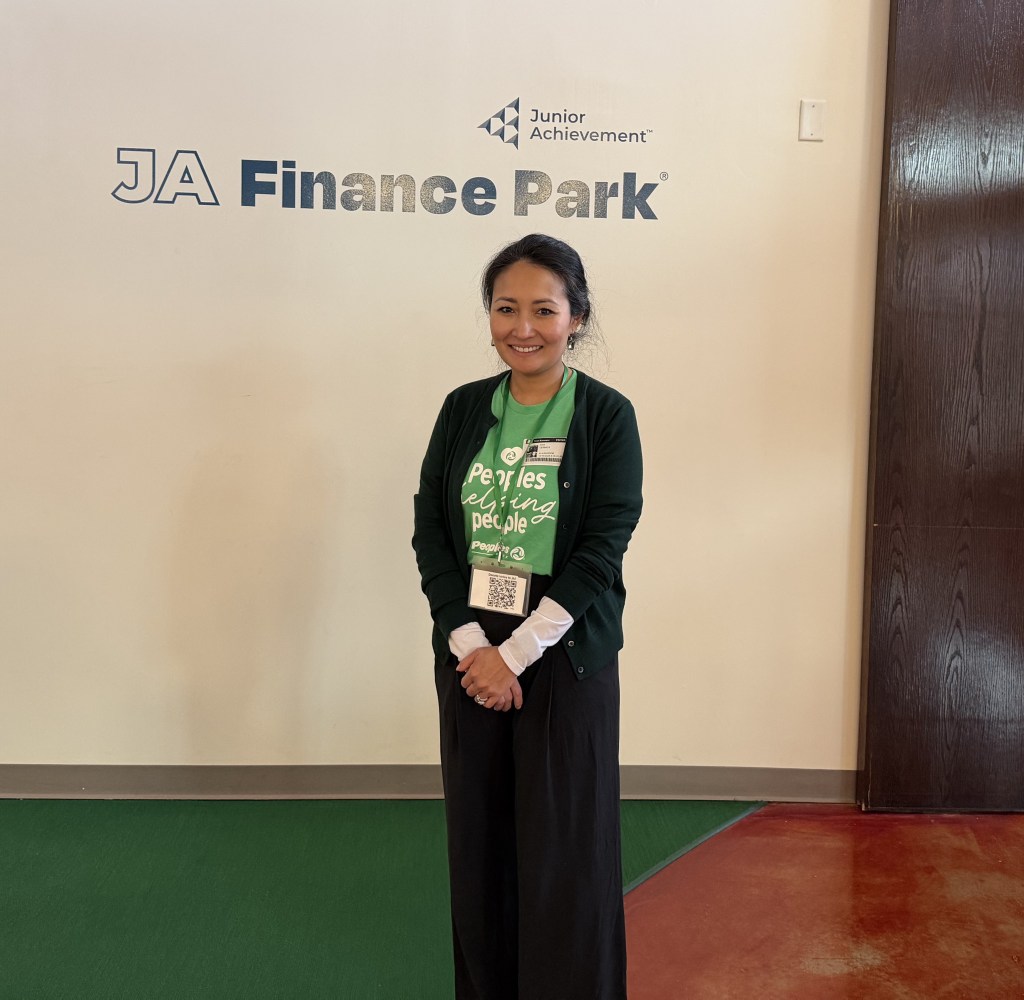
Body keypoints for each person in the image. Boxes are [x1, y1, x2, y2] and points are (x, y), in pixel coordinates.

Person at [412, 233, 643, 1000]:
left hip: (563, 658)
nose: (523, 326)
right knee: (479, 851)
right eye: (506, 307)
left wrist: (516, 656)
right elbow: (432, 531)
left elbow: (602, 547)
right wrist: (475, 646)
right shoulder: (462, 409)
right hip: (470, 655)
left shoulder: (607, 417)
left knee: (564, 857)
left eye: (543, 309)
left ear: (576, 316)